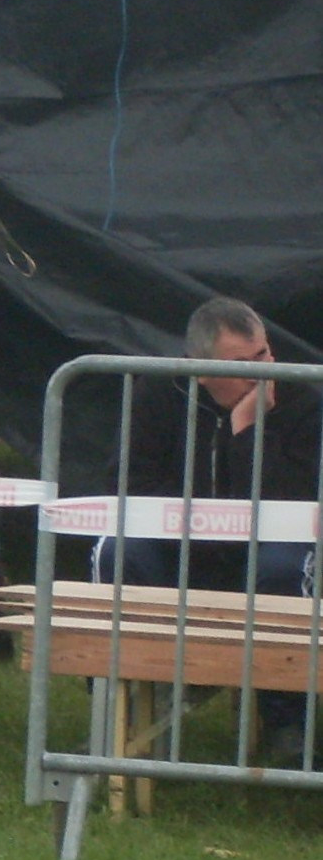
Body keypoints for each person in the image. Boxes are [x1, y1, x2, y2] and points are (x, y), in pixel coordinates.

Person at [93, 296, 321, 763]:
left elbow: (291, 502)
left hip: (265, 557)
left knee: (285, 566)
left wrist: (247, 430)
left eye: (264, 354)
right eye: (243, 364)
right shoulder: (158, 394)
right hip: (180, 555)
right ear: (199, 369)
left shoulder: (303, 398)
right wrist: (204, 517)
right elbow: (129, 485)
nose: (262, 373)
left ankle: (287, 722)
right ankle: (121, 712)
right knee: (117, 552)